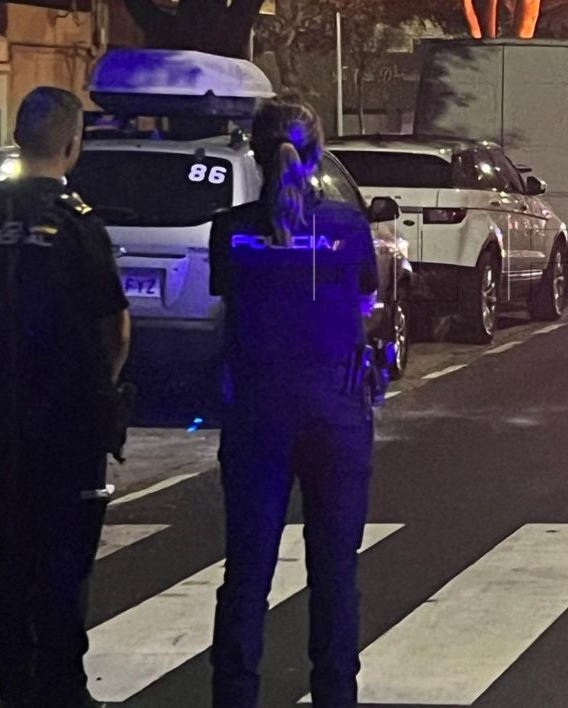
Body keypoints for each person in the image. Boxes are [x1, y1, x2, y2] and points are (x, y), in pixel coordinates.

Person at [209, 102, 379, 708]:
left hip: (257, 411)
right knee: (335, 575)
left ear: (254, 154)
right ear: (317, 156)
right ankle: (335, 696)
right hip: (336, 408)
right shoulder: (348, 225)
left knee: (247, 574)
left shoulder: (229, 231)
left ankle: (234, 697)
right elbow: (364, 304)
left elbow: (229, 308)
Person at [0, 87, 132, 708]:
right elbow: (114, 326)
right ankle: (62, 684)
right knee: (65, 556)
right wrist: (106, 385)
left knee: (12, 550)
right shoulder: (78, 222)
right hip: (66, 417)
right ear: (72, 145)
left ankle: (13, 677)